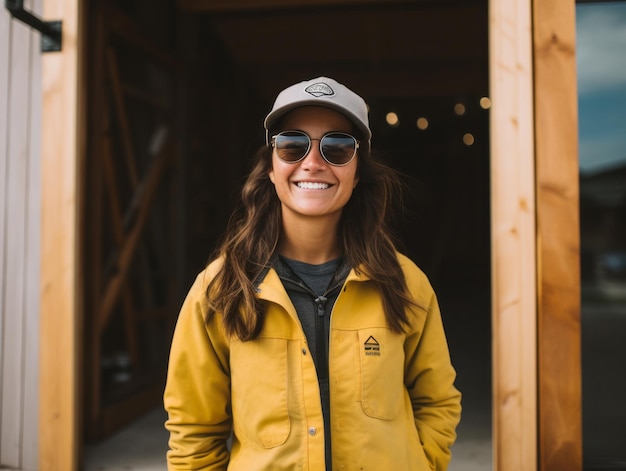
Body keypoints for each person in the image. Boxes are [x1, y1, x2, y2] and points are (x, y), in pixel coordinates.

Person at [164, 76, 462, 470]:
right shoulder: (219, 290)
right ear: (271, 167)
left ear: (358, 173)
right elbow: (193, 430)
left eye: (338, 147)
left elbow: (437, 401)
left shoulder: (405, 285)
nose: (313, 162)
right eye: (292, 145)